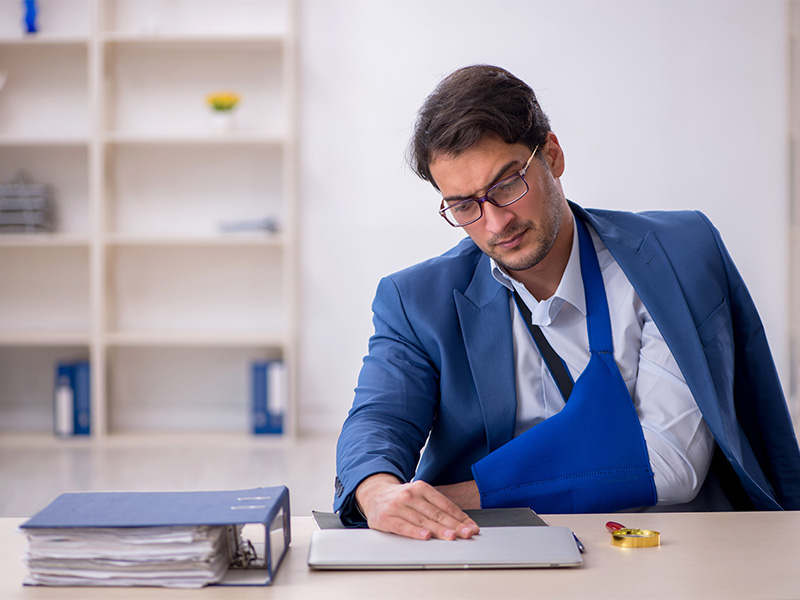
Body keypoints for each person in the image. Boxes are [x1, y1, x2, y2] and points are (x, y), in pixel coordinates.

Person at [334, 64, 800, 541]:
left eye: (506, 185)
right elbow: (379, 417)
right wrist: (378, 492)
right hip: (499, 550)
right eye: (463, 206)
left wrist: (448, 499)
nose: (494, 223)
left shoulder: (676, 255)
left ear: (552, 156)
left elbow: (669, 463)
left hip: (666, 549)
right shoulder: (415, 300)